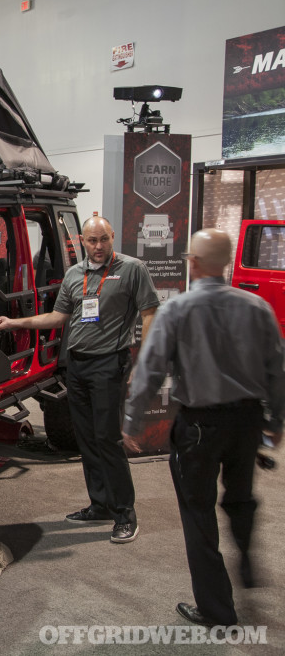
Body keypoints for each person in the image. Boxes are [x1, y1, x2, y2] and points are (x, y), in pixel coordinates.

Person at [123, 228, 284, 627]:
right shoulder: (258, 307)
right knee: (240, 497)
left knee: (198, 514)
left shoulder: (177, 310)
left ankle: (217, 609)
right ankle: (245, 557)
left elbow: (150, 369)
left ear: (192, 262)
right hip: (246, 423)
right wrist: (275, 423)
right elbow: (277, 371)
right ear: (227, 262)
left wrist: (132, 420)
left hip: (198, 426)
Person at [0, 215, 159, 544]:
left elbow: (150, 311)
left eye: (104, 240)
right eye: (92, 241)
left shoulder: (131, 269)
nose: (98, 247)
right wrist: (15, 324)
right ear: (82, 241)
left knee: (108, 439)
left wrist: (143, 361)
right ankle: (100, 504)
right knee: (86, 438)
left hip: (110, 364)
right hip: (78, 366)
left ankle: (125, 512)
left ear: (113, 237)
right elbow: (58, 316)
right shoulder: (74, 274)